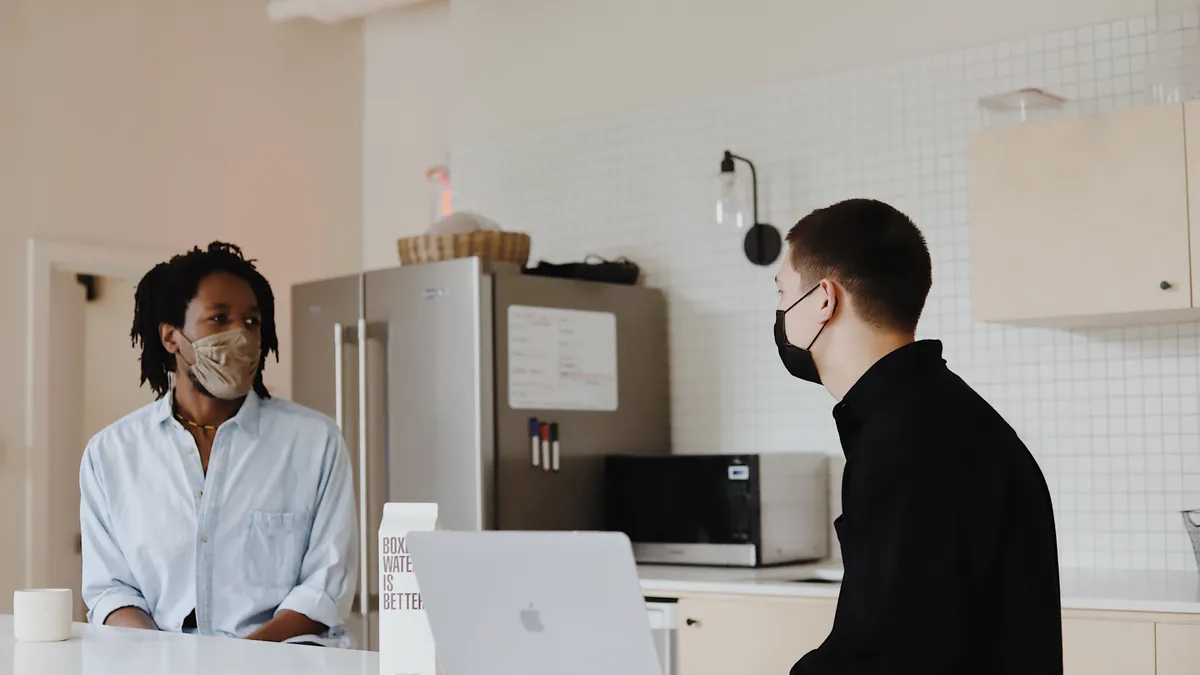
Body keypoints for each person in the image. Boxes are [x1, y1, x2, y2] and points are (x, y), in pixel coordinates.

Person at [776, 200, 1062, 674]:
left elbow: (884, 653)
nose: (782, 313)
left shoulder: (907, 443)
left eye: (784, 293)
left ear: (824, 299)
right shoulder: (937, 416)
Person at [79, 242, 357, 645]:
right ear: (172, 338)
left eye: (251, 321)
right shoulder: (111, 454)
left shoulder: (315, 443)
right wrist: (162, 658)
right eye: (219, 318)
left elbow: (325, 587)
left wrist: (238, 663)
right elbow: (110, 590)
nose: (240, 335)